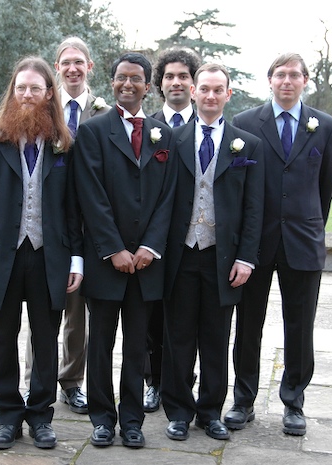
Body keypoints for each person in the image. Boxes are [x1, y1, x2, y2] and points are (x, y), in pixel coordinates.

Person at [0, 56, 82, 450]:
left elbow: (73, 210)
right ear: (12, 93)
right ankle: (8, 418)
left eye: (35, 88)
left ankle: (41, 417)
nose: (27, 95)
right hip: (4, 256)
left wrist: (76, 258)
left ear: (49, 93)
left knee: (46, 341)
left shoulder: (64, 146)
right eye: (21, 88)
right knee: (3, 340)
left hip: (50, 256)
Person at [228, 52, 332, 436]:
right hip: (255, 244)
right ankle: (243, 400)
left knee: (300, 326)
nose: (287, 81)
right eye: (280, 75)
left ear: (305, 80)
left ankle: (294, 402)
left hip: (303, 242)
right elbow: (238, 186)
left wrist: (310, 226)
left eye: (294, 75)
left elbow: (326, 187)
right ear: (270, 80)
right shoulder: (245, 123)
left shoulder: (325, 126)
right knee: (248, 325)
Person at [74, 52, 175, 449]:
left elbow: (168, 198)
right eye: (121, 77)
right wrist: (113, 248)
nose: (127, 84)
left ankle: (132, 421)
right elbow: (90, 194)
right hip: (106, 261)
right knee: (100, 345)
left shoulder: (163, 135)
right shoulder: (93, 131)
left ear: (148, 87)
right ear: (113, 82)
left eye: (136, 79)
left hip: (147, 264)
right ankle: (102, 419)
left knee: (137, 346)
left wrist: (150, 246)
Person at [161, 63, 264, 442]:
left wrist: (246, 257)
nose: (210, 95)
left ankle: (209, 412)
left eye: (218, 90)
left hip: (223, 258)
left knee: (216, 338)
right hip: (180, 254)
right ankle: (178, 412)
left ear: (228, 95)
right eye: (204, 88)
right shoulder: (171, 140)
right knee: (178, 337)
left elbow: (254, 208)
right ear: (193, 92)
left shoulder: (246, 145)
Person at [23, 37, 110, 415]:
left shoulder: (105, 114)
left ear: (90, 66)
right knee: (41, 308)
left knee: (78, 311)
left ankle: (71, 381)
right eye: (65, 62)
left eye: (79, 62)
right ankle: (34, 380)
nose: (72, 68)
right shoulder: (39, 107)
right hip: (49, 224)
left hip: (91, 226)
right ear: (56, 68)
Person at [144, 46, 202, 413]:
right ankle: (154, 381)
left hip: (194, 240)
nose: (176, 82)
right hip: (152, 239)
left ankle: (184, 381)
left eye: (183, 76)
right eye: (169, 76)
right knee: (151, 316)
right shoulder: (146, 125)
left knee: (188, 319)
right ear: (160, 84)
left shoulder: (209, 124)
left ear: (193, 84)